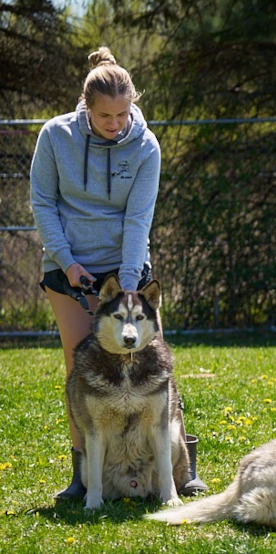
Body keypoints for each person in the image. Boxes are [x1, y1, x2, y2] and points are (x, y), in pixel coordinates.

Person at [30, 46, 206, 500]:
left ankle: (182, 468)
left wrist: (128, 281)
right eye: (105, 116)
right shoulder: (55, 136)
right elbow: (44, 203)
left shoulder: (145, 145)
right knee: (78, 366)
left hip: (125, 264)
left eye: (123, 114)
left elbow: (137, 218)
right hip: (67, 264)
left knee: (154, 359)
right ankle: (82, 472)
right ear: (86, 108)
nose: (115, 124)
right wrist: (67, 262)